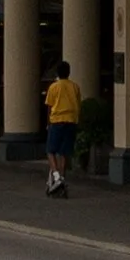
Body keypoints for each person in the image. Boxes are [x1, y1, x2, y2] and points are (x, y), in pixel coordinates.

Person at [43, 57, 81, 198]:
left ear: (58, 73)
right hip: (71, 121)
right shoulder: (74, 86)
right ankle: (62, 179)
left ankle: (57, 176)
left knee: (50, 150)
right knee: (63, 152)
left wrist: (48, 123)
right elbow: (78, 104)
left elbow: (49, 106)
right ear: (69, 72)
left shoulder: (54, 87)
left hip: (57, 120)